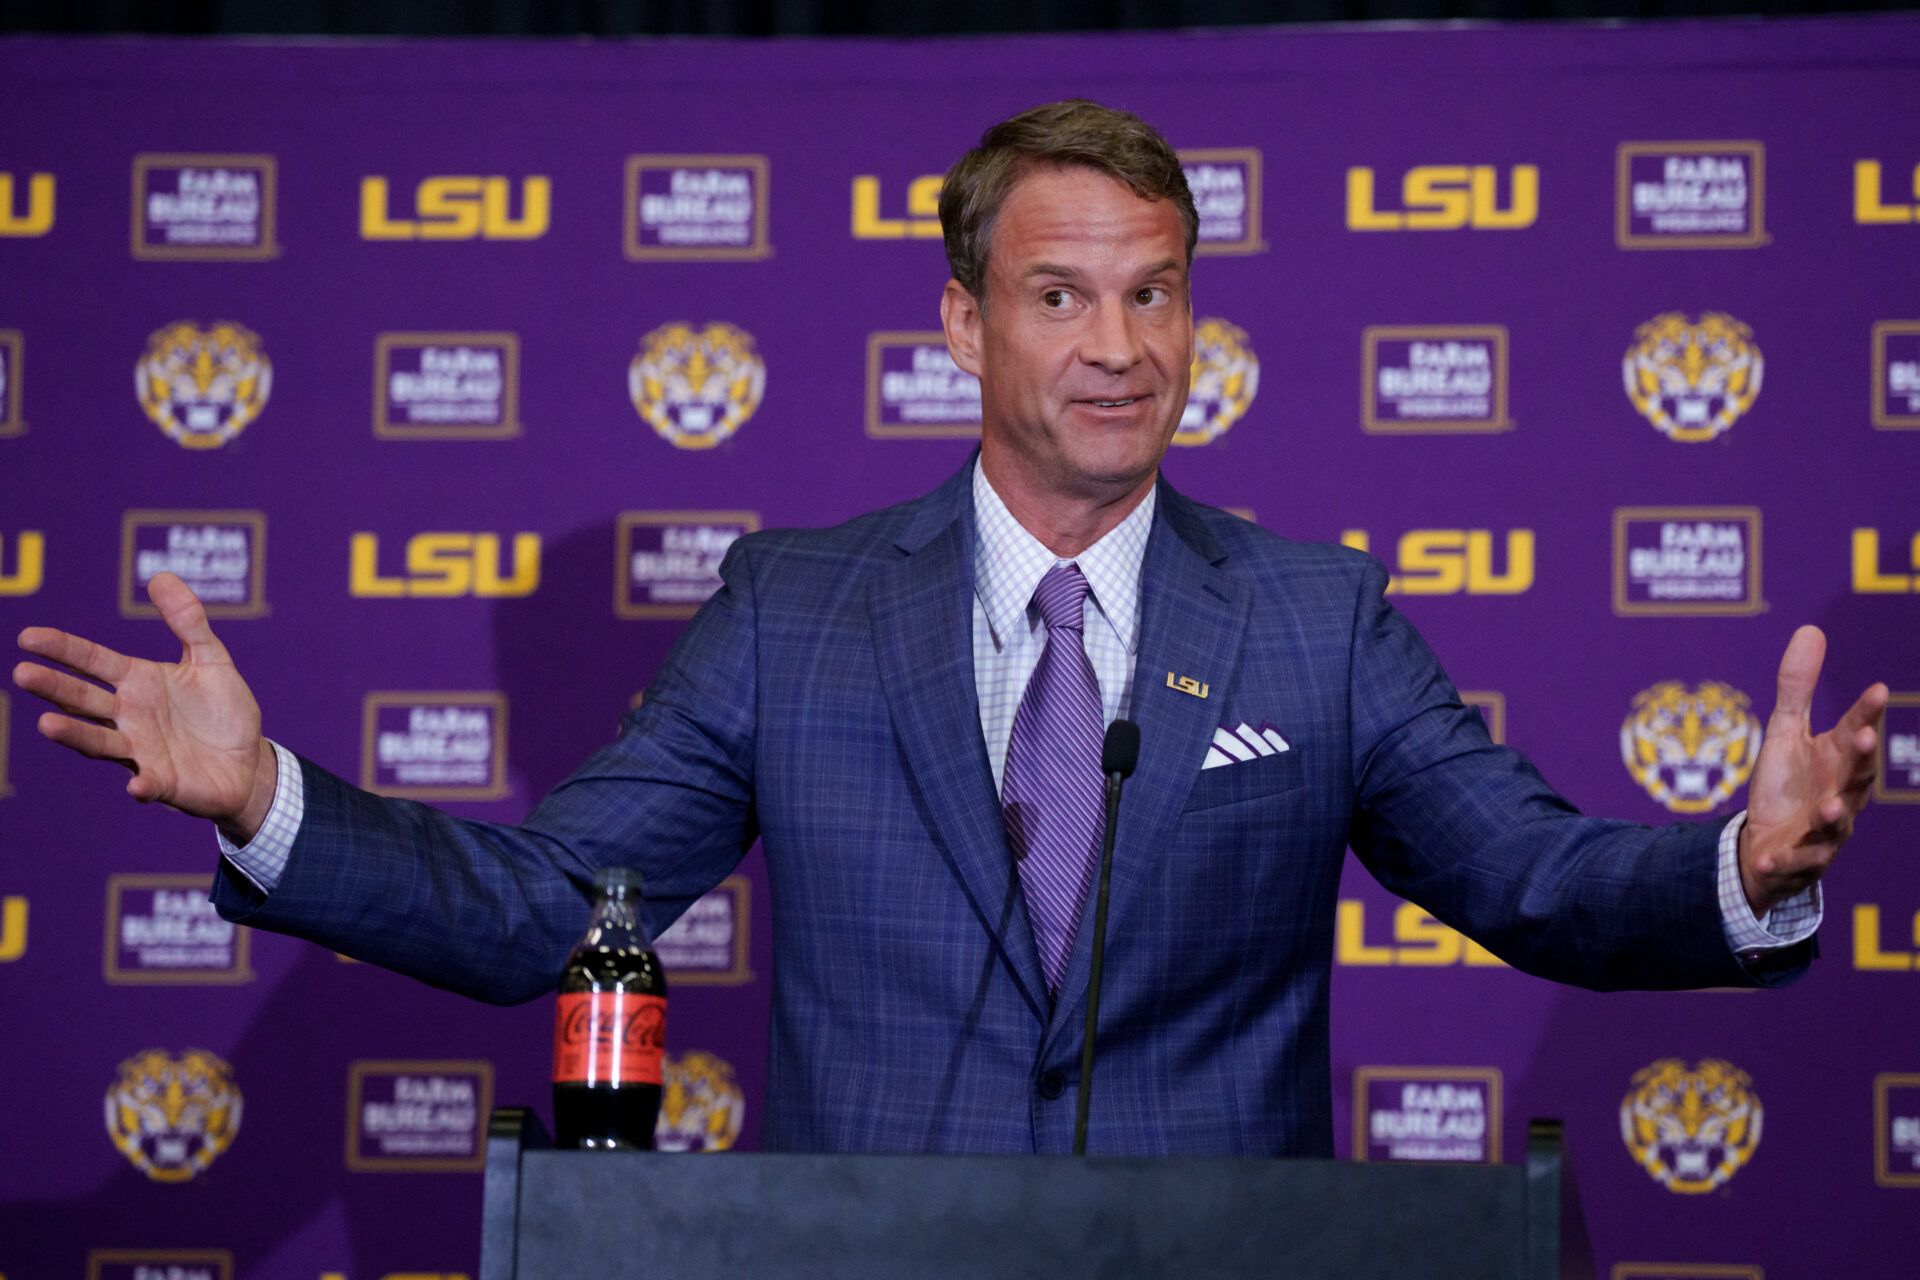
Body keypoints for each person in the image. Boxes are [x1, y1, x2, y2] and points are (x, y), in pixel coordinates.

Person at [13, 101, 1887, 1156]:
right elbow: (542, 909)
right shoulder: (797, 613)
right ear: (959, 326)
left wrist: (1740, 862)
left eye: (1157, 295)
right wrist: (268, 797)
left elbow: (1536, 881)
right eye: (1061, 295)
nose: (1121, 346)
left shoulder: (1317, 619)